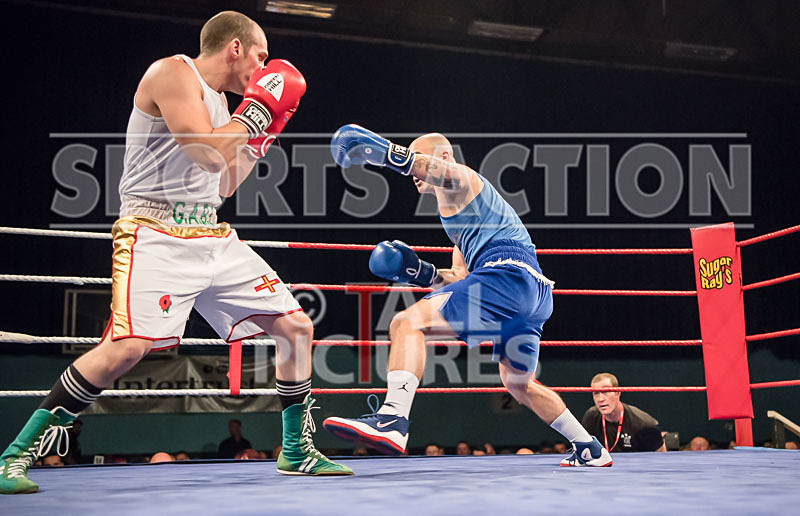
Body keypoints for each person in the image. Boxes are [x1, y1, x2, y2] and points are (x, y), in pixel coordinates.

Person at [0, 11, 351, 495]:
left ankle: (296, 450)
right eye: (260, 55)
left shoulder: (229, 106)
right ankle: (15, 456)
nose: (266, 66)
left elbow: (224, 180)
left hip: (209, 232)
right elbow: (205, 153)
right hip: (154, 230)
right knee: (127, 348)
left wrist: (261, 137)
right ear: (234, 47)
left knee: (295, 326)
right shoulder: (171, 73)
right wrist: (256, 115)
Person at [323, 126, 612, 468]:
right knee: (518, 384)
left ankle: (393, 420)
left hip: (507, 276)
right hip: (529, 294)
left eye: (422, 156)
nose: (414, 174)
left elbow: (439, 172)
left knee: (405, 323)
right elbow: (459, 278)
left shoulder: (463, 179)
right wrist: (419, 272)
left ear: (443, 156)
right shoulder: (458, 219)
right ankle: (589, 447)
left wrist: (387, 153)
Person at [582, 373, 666, 452]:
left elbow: (661, 458)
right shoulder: (590, 417)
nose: (600, 399)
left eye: (605, 391)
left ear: (618, 393)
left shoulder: (644, 424)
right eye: (596, 393)